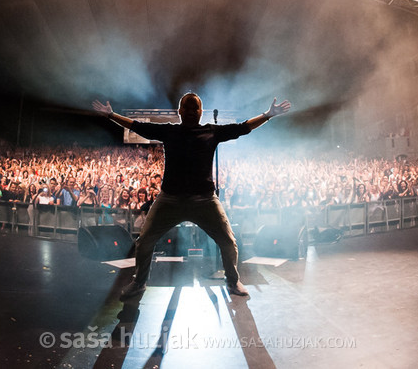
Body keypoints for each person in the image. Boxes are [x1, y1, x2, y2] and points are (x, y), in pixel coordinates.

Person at [93, 93, 291, 299]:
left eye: (193, 108)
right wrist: (111, 115)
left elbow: (243, 128)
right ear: (179, 111)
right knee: (144, 242)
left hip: (204, 200)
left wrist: (268, 115)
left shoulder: (212, 132)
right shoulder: (169, 131)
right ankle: (139, 283)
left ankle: (233, 282)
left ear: (200, 112)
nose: (189, 112)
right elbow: (137, 126)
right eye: (186, 108)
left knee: (228, 241)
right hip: (170, 199)